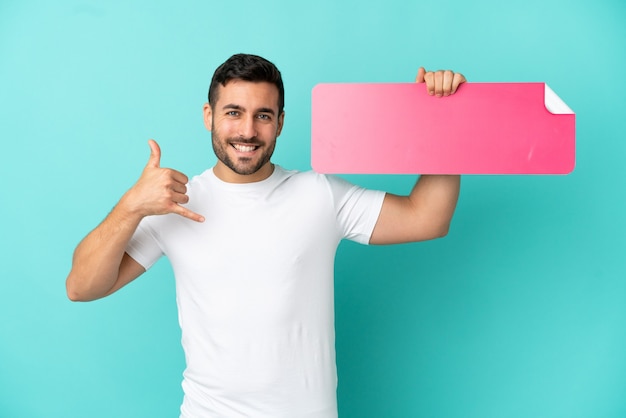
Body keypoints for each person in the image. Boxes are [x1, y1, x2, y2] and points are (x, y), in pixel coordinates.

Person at [66, 53, 466, 417]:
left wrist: (442, 117)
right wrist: (131, 206)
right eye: (234, 112)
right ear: (209, 115)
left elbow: (427, 217)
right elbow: (81, 287)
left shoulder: (319, 194)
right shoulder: (175, 204)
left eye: (262, 115)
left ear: (280, 122)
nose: (247, 130)